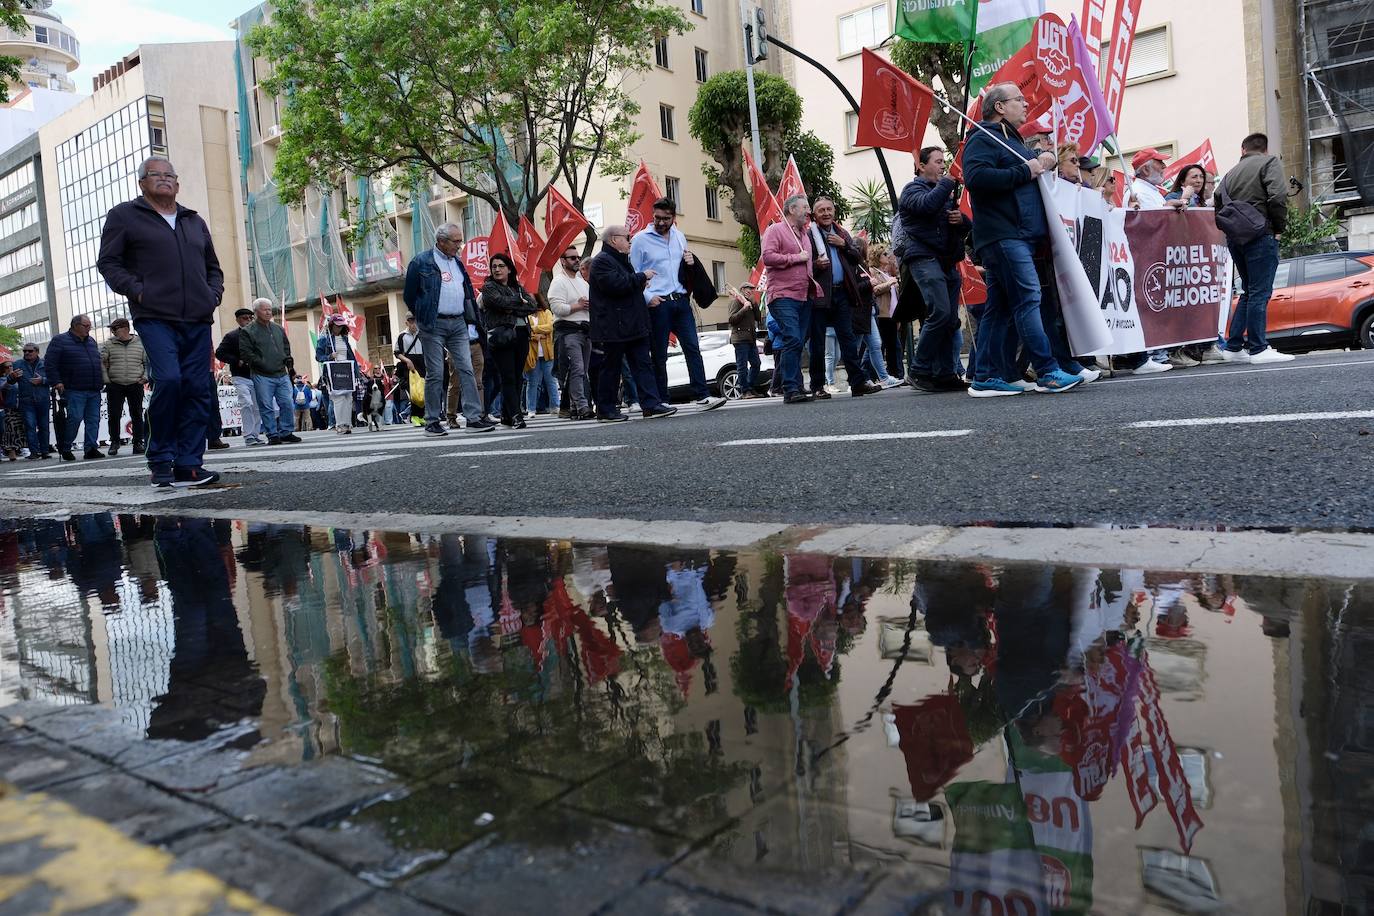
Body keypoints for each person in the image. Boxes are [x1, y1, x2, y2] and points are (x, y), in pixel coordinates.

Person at [96, 155, 224, 487]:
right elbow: (109, 263)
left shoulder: (193, 221)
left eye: (170, 174)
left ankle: (190, 465)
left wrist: (212, 295)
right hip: (154, 316)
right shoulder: (125, 216)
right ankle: (161, 459)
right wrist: (138, 292)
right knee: (168, 380)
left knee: (198, 389)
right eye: (155, 174)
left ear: (177, 183)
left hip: (198, 318)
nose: (164, 179)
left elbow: (213, 266)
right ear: (142, 182)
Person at [962, 82, 1083, 396]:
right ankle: (1047, 370)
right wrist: (1027, 169)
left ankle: (988, 375)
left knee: (1000, 309)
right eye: (1019, 99)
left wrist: (1042, 160)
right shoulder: (982, 138)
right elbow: (976, 178)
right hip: (1005, 235)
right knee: (1029, 299)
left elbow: (1028, 167)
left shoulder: (1010, 140)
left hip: (1019, 235)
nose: (1026, 103)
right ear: (999, 107)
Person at [629, 197, 726, 411]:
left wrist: (690, 263)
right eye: (657, 218)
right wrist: (647, 297)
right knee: (660, 354)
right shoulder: (640, 240)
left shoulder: (679, 237)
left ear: (674, 217)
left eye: (666, 218)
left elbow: (683, 265)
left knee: (692, 347)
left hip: (681, 301)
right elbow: (632, 273)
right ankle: (661, 399)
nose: (661, 222)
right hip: (658, 303)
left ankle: (702, 394)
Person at [401, 222, 495, 436]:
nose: (459, 246)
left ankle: (473, 418)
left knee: (467, 369)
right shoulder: (421, 261)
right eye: (456, 241)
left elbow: (466, 291)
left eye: (460, 241)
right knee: (436, 372)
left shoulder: (458, 263)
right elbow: (409, 295)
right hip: (433, 324)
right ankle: (432, 421)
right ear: (441, 241)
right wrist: (423, 314)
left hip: (459, 322)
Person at [1215, 133, 1293, 364]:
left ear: (1243, 150)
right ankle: (1259, 348)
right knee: (1260, 291)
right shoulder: (1269, 162)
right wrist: (1278, 227)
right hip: (1261, 233)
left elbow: (1217, 201)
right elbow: (1278, 196)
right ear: (1265, 149)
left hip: (1236, 237)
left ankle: (1234, 346)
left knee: (1249, 291)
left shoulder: (1229, 174)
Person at [901, 146, 972, 393]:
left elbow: (964, 226)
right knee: (940, 312)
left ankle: (944, 373)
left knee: (950, 320)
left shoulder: (943, 193)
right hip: (924, 258)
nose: (944, 166)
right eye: (939, 161)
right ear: (921, 166)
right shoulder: (913, 190)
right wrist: (948, 184)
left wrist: (960, 221)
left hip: (946, 261)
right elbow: (926, 207)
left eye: (945, 161)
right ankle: (919, 369)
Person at [588, 225, 676, 422]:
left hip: (632, 325)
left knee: (643, 364)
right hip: (613, 327)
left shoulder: (620, 260)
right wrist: (642, 276)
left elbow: (626, 285)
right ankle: (606, 409)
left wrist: (639, 282)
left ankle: (651, 404)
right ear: (613, 240)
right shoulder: (602, 261)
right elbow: (616, 285)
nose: (630, 241)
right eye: (627, 237)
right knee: (611, 368)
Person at [807, 197, 879, 398]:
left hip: (842, 294)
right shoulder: (809, 234)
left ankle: (857, 383)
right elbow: (802, 266)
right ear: (815, 215)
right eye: (821, 210)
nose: (826, 213)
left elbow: (857, 258)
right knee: (818, 342)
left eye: (829, 209)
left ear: (834, 212)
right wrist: (815, 265)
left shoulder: (841, 233)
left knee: (848, 338)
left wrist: (844, 245)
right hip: (820, 295)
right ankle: (818, 386)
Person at [760, 195, 818, 404]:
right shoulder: (775, 230)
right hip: (783, 295)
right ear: (792, 209)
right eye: (804, 207)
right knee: (793, 338)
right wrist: (796, 258)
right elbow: (767, 257)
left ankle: (796, 386)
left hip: (804, 296)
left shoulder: (805, 235)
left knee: (797, 341)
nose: (808, 211)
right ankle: (790, 389)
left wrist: (817, 264)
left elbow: (807, 264)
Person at [479, 253, 538, 429]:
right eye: (494, 266)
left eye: (501, 266)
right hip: (501, 336)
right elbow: (498, 302)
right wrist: (518, 304)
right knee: (508, 377)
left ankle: (506, 414)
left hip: (521, 334)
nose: (496, 269)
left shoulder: (517, 287)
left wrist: (513, 306)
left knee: (518, 376)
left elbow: (532, 306)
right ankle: (516, 415)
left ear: (509, 269)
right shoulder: (489, 287)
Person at [240, 297, 301, 445]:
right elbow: (246, 353)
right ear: (256, 312)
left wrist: (288, 362)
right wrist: (262, 364)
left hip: (281, 373)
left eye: (269, 309)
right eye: (265, 309)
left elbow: (286, 347)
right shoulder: (248, 331)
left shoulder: (278, 328)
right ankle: (272, 434)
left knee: (287, 402)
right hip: (262, 374)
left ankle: (286, 431)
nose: (268, 312)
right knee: (266, 406)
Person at [44, 315, 106, 460]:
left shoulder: (91, 341)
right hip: (74, 388)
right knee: (75, 418)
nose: (89, 328)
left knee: (93, 420)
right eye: (86, 325)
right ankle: (65, 447)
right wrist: (56, 381)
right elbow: (50, 363)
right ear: (75, 325)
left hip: (93, 387)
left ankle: (90, 448)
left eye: (90, 325)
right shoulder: (60, 340)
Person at [548, 245, 594, 420]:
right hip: (568, 331)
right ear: (562, 261)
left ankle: (574, 407)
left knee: (582, 370)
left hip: (585, 330)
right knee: (577, 368)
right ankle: (582, 406)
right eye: (572, 258)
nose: (577, 260)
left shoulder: (582, 282)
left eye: (578, 257)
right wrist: (578, 306)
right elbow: (556, 308)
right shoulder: (558, 281)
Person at [215, 307, 266, 446]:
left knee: (256, 406)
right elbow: (219, 353)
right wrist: (236, 360)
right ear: (238, 320)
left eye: (251, 318)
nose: (248, 320)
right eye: (245, 318)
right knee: (247, 403)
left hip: (257, 375)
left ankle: (255, 434)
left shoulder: (259, 334)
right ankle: (248, 435)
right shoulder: (232, 336)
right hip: (240, 376)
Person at [99, 317, 148, 456]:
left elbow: (146, 362)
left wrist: (144, 377)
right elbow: (102, 362)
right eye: (112, 329)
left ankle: (138, 442)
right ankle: (114, 442)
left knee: (137, 414)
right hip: (115, 384)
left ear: (125, 329)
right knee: (114, 414)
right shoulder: (109, 344)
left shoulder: (140, 342)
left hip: (135, 383)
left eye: (115, 328)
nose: (113, 331)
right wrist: (107, 380)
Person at [316, 314, 360, 435]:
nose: (339, 328)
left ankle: (347, 423)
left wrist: (356, 372)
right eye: (337, 326)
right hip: (333, 371)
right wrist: (330, 356)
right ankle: (339, 424)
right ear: (331, 325)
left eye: (341, 326)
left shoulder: (344, 338)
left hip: (347, 370)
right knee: (338, 398)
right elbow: (318, 357)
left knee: (348, 398)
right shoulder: (324, 338)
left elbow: (351, 356)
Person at [524, 295, 559, 416]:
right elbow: (526, 331)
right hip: (532, 353)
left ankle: (555, 406)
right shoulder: (525, 315)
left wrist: (534, 328)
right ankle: (531, 409)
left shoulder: (547, 312)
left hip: (547, 352)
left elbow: (550, 327)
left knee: (551, 381)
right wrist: (536, 336)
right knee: (533, 383)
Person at [726, 281, 762, 398]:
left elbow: (758, 318)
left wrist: (754, 304)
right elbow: (732, 320)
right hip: (740, 339)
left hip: (751, 338)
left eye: (752, 289)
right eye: (748, 288)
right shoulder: (736, 302)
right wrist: (744, 309)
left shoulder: (750, 303)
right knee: (742, 366)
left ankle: (750, 387)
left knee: (756, 364)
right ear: (742, 289)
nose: (751, 291)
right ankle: (744, 390)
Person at [15, 344, 51, 458]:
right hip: (26, 400)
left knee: (44, 426)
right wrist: (12, 377)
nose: (27, 353)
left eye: (30, 351)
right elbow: (9, 380)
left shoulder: (45, 363)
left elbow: (54, 378)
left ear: (37, 351)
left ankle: (45, 451)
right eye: (24, 351)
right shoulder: (17, 364)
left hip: (43, 399)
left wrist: (42, 380)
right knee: (30, 426)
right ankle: (34, 452)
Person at [392, 313, 425, 426]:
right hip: (409, 365)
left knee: (422, 391)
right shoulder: (402, 336)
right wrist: (407, 361)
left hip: (421, 363)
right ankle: (414, 416)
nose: (413, 324)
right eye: (411, 321)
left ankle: (421, 415)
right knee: (414, 392)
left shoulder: (422, 334)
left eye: (415, 321)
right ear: (406, 322)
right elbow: (397, 353)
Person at [0, 362, 23, 460]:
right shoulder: (2, 379)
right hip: (7, 408)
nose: (9, 368)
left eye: (11, 366)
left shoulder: (19, 379)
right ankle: (11, 453)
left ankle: (21, 449)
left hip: (19, 407)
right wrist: (10, 380)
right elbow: (3, 387)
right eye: (7, 367)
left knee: (18, 430)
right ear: (2, 369)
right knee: (9, 431)